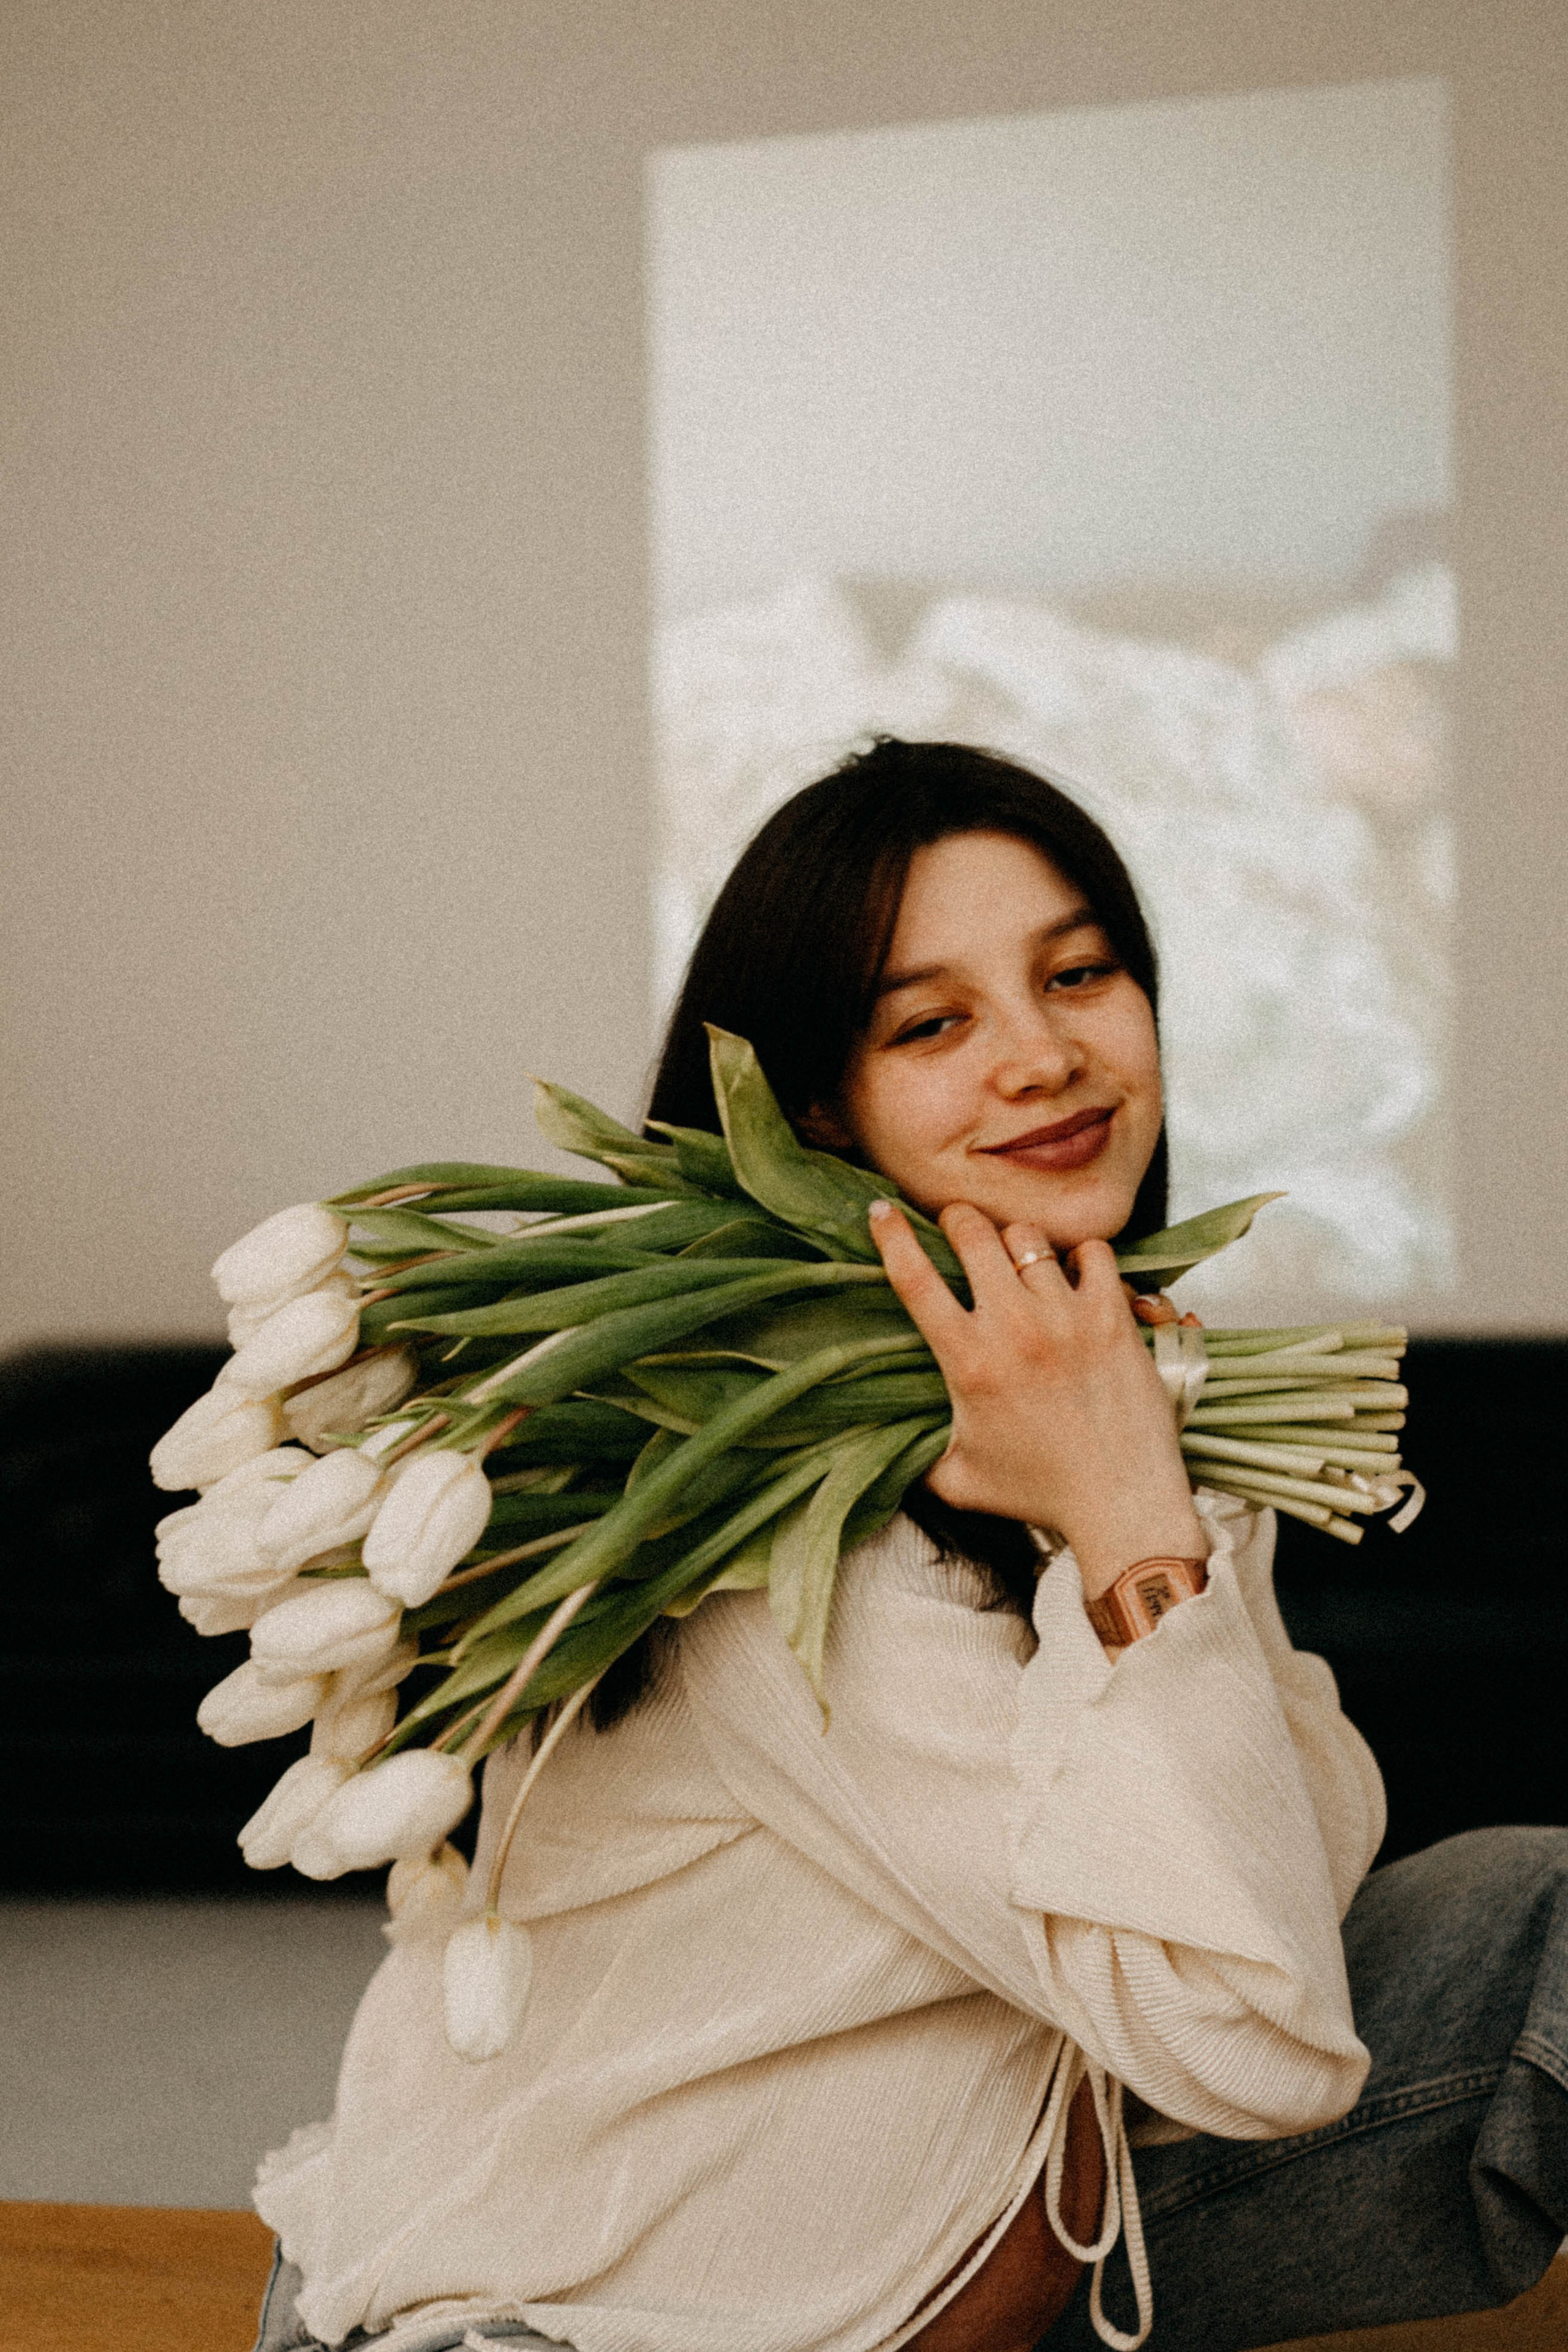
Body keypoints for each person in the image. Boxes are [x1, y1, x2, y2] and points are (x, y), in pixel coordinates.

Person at [254, 741, 1567, 2352]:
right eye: (932, 1022)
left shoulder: (1092, 1400)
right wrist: (1131, 1527)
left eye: (1079, 974)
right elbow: (1260, 2044)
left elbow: (1301, 1866)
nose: (1043, 1058)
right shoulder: (796, 1531)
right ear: (821, 1109)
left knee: (1535, 1906)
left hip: (960, 2238)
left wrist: (1151, 1489)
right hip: (570, 2328)